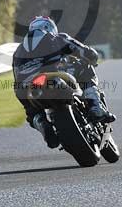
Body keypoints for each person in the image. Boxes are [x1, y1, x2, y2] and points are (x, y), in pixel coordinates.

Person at [12, 16, 116, 147]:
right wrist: (92, 57)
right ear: (49, 27)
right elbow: (84, 52)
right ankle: (96, 107)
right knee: (86, 68)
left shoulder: (18, 51)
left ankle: (42, 125)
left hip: (28, 87)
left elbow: (17, 79)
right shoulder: (57, 38)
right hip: (53, 76)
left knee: (32, 111)